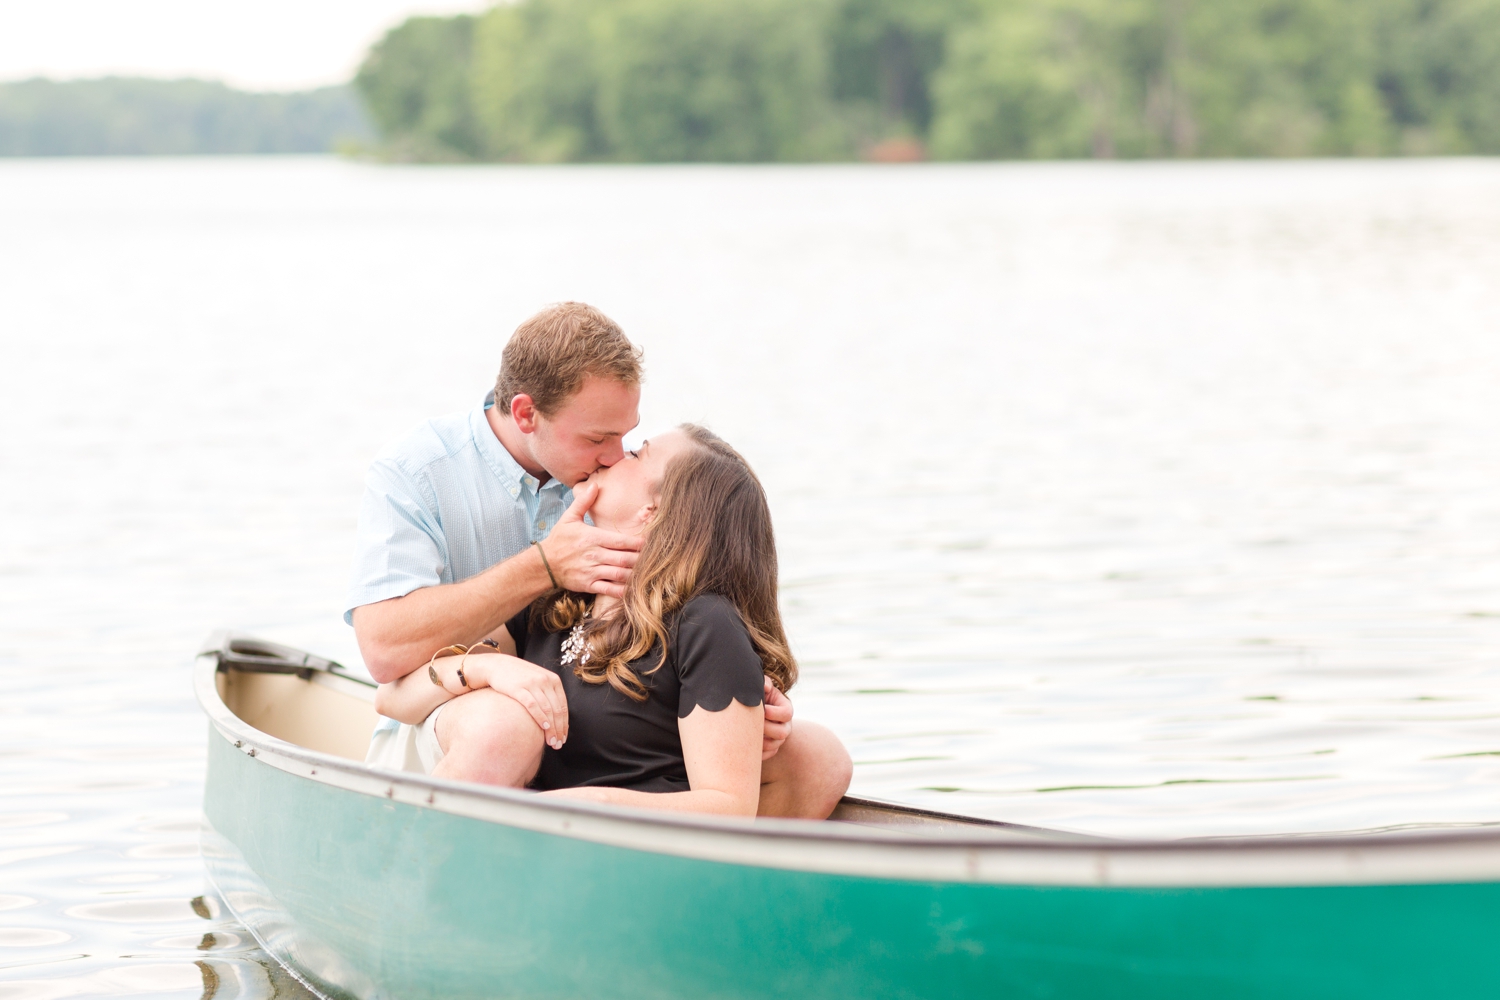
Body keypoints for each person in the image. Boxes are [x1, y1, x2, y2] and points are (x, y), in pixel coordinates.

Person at [348, 302, 851, 817]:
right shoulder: (420, 473)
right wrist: (518, 614)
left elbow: (693, 612)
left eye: (629, 442)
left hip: (578, 761)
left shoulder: (662, 576)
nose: (614, 455)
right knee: (504, 729)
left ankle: (734, 884)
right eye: (599, 440)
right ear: (526, 414)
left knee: (815, 756)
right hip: (461, 733)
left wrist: (745, 700)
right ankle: (417, 871)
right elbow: (388, 668)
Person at [376, 425, 802, 815]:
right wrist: (486, 667)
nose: (614, 456)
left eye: (636, 454)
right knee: (495, 725)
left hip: (613, 856)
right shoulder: (560, 605)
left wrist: (567, 807)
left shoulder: (704, 624)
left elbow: (729, 806)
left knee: (819, 754)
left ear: (653, 511)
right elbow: (393, 697)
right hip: (530, 842)